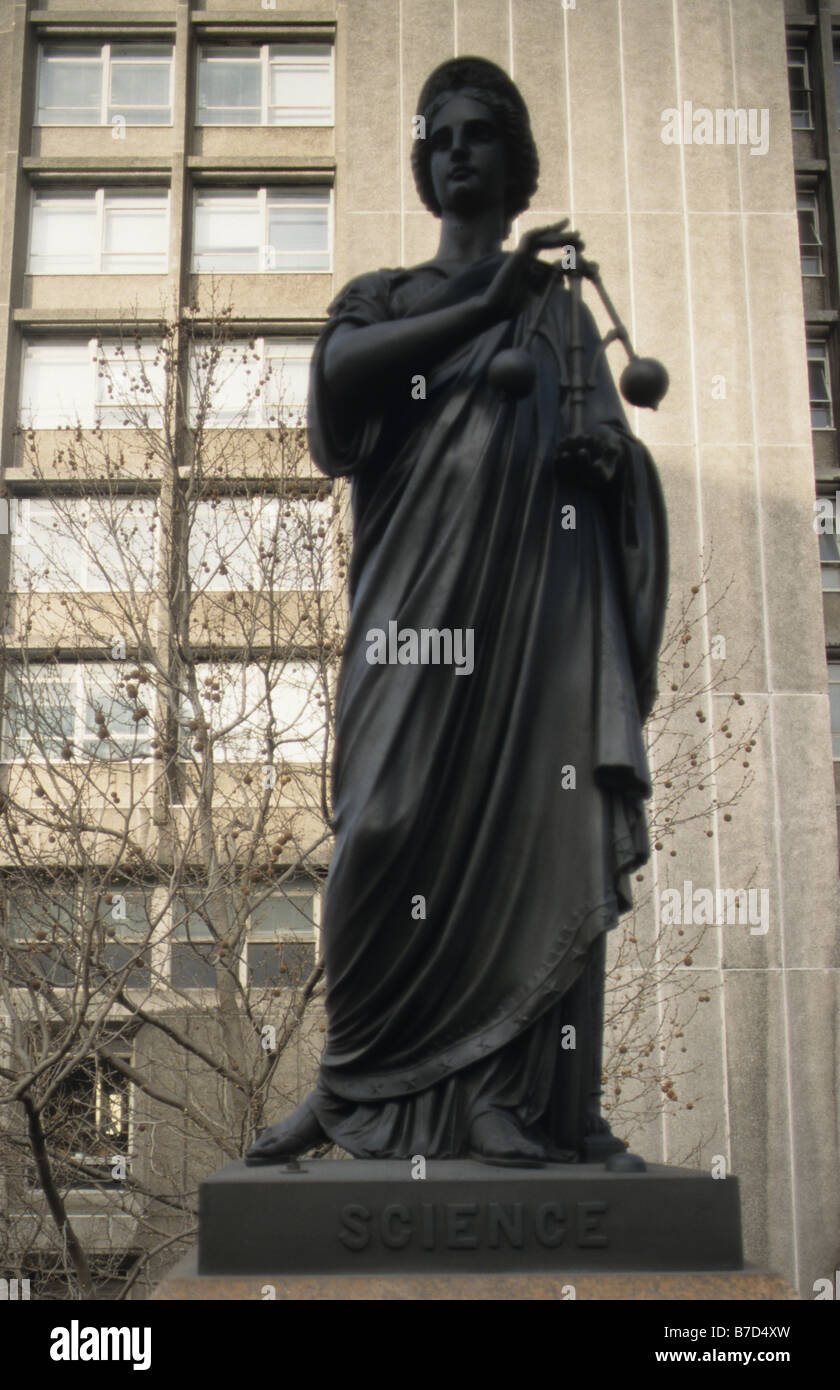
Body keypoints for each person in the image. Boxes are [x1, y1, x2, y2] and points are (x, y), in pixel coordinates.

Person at [247, 56, 667, 1167]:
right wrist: (484, 303)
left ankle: (502, 1099)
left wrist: (603, 462)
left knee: (533, 835)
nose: (459, 151)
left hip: (531, 633)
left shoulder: (566, 316)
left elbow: (612, 466)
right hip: (409, 618)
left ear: (517, 165)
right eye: (441, 138)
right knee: (378, 832)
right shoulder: (386, 297)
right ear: (427, 168)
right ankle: (351, 1086)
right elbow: (337, 393)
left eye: (482, 134)